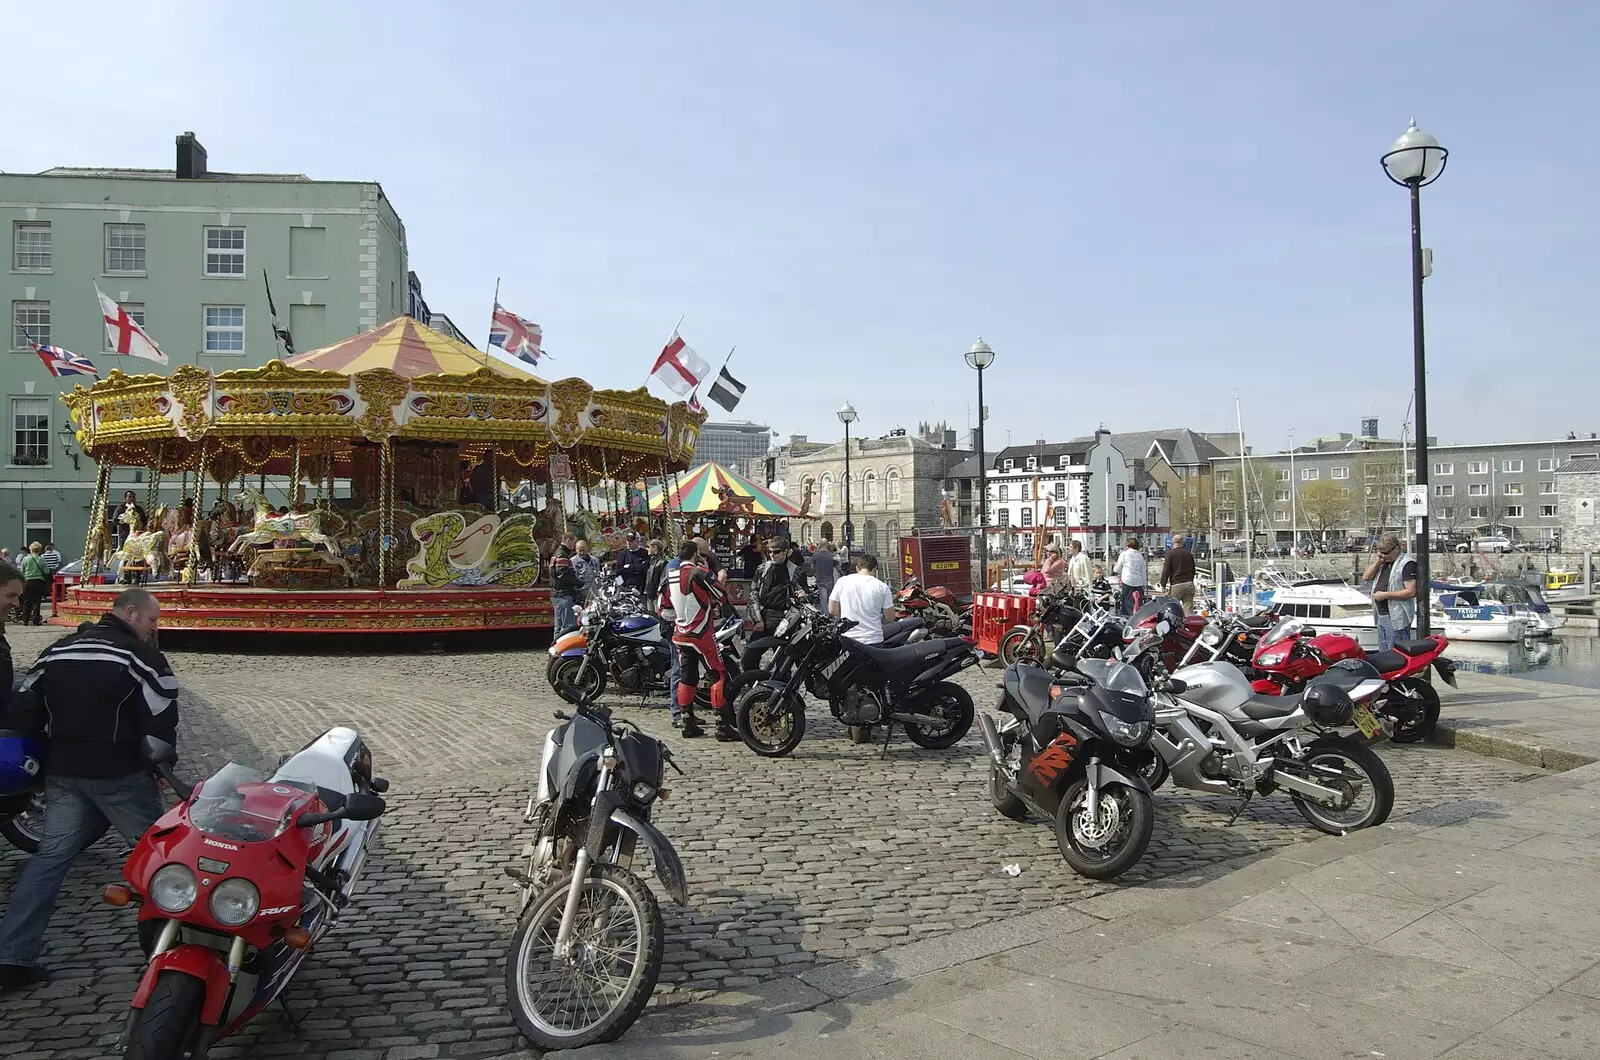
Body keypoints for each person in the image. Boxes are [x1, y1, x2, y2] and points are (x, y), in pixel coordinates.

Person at [0, 587, 178, 989]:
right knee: (165, 861)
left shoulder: (57, 650)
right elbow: (162, 717)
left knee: (48, 862)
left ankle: (11, 957)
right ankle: (172, 955)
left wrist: (42, 760)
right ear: (130, 613)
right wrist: (163, 766)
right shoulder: (142, 657)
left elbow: (24, 707)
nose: (154, 629)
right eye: (152, 620)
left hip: (64, 775)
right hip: (120, 777)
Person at [659, 541, 730, 740]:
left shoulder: (670, 574)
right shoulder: (699, 573)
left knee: (687, 677)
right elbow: (721, 593)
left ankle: (687, 721)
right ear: (696, 554)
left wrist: (680, 618)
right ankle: (722, 725)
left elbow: (662, 606)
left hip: (680, 633)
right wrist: (709, 575)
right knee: (717, 674)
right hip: (701, 632)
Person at [1363, 532, 1418, 651]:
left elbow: (1411, 592)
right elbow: (1366, 577)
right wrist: (1377, 562)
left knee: (1396, 654)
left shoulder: (1407, 564)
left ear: (1396, 548)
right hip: (1381, 615)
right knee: (1384, 654)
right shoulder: (1383, 563)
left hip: (1396, 616)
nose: (1384, 556)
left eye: (1387, 553)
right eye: (1381, 553)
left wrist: (1386, 595)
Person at [828, 553, 897, 645]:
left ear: (857, 568)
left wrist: (847, 614)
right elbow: (890, 617)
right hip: (873, 640)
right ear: (875, 569)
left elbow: (832, 610)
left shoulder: (842, 581)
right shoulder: (882, 587)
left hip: (847, 639)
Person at [755, 538, 798, 634]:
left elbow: (803, 595)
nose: (772, 555)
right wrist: (758, 620)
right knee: (750, 648)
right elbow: (753, 595)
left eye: (776, 552)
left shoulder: (795, 571)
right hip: (764, 616)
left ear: (785, 551)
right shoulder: (762, 569)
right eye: (769, 552)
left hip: (784, 618)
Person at [549, 534, 582, 635]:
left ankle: (556, 648)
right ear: (568, 541)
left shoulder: (557, 553)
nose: (574, 545)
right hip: (563, 593)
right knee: (567, 627)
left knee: (558, 627)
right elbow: (563, 575)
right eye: (574, 542)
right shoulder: (562, 555)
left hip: (557, 593)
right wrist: (578, 583)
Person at [1160, 532, 1197, 612]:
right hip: (1189, 584)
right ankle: (1189, 623)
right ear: (1182, 542)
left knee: (1172, 609)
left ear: (1173, 542)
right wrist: (1190, 580)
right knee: (1188, 609)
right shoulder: (1189, 554)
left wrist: (1163, 584)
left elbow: (1166, 570)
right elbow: (1193, 570)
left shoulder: (1170, 554)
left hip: (1176, 584)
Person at [17, 544, 49, 627]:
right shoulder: (41, 559)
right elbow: (46, 571)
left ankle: (25, 620)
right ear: (39, 550)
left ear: (31, 550)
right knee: (37, 602)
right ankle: (36, 620)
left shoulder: (25, 559)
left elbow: (22, 571)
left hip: (27, 581)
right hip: (38, 581)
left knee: (26, 601)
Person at [1114, 536, 1147, 615]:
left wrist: (1116, 570)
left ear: (1128, 545)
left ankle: (1127, 617)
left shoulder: (1124, 554)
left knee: (1126, 602)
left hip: (1127, 581)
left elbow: (1117, 569)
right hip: (1138, 582)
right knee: (1138, 602)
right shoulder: (1140, 556)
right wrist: (1143, 584)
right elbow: (1143, 572)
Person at [813, 539, 837, 610]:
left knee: (823, 599)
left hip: (820, 579)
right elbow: (838, 568)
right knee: (830, 599)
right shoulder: (832, 555)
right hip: (830, 580)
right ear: (827, 545)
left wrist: (815, 573)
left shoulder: (815, 555)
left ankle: (825, 616)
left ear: (820, 544)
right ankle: (831, 613)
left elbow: (812, 568)